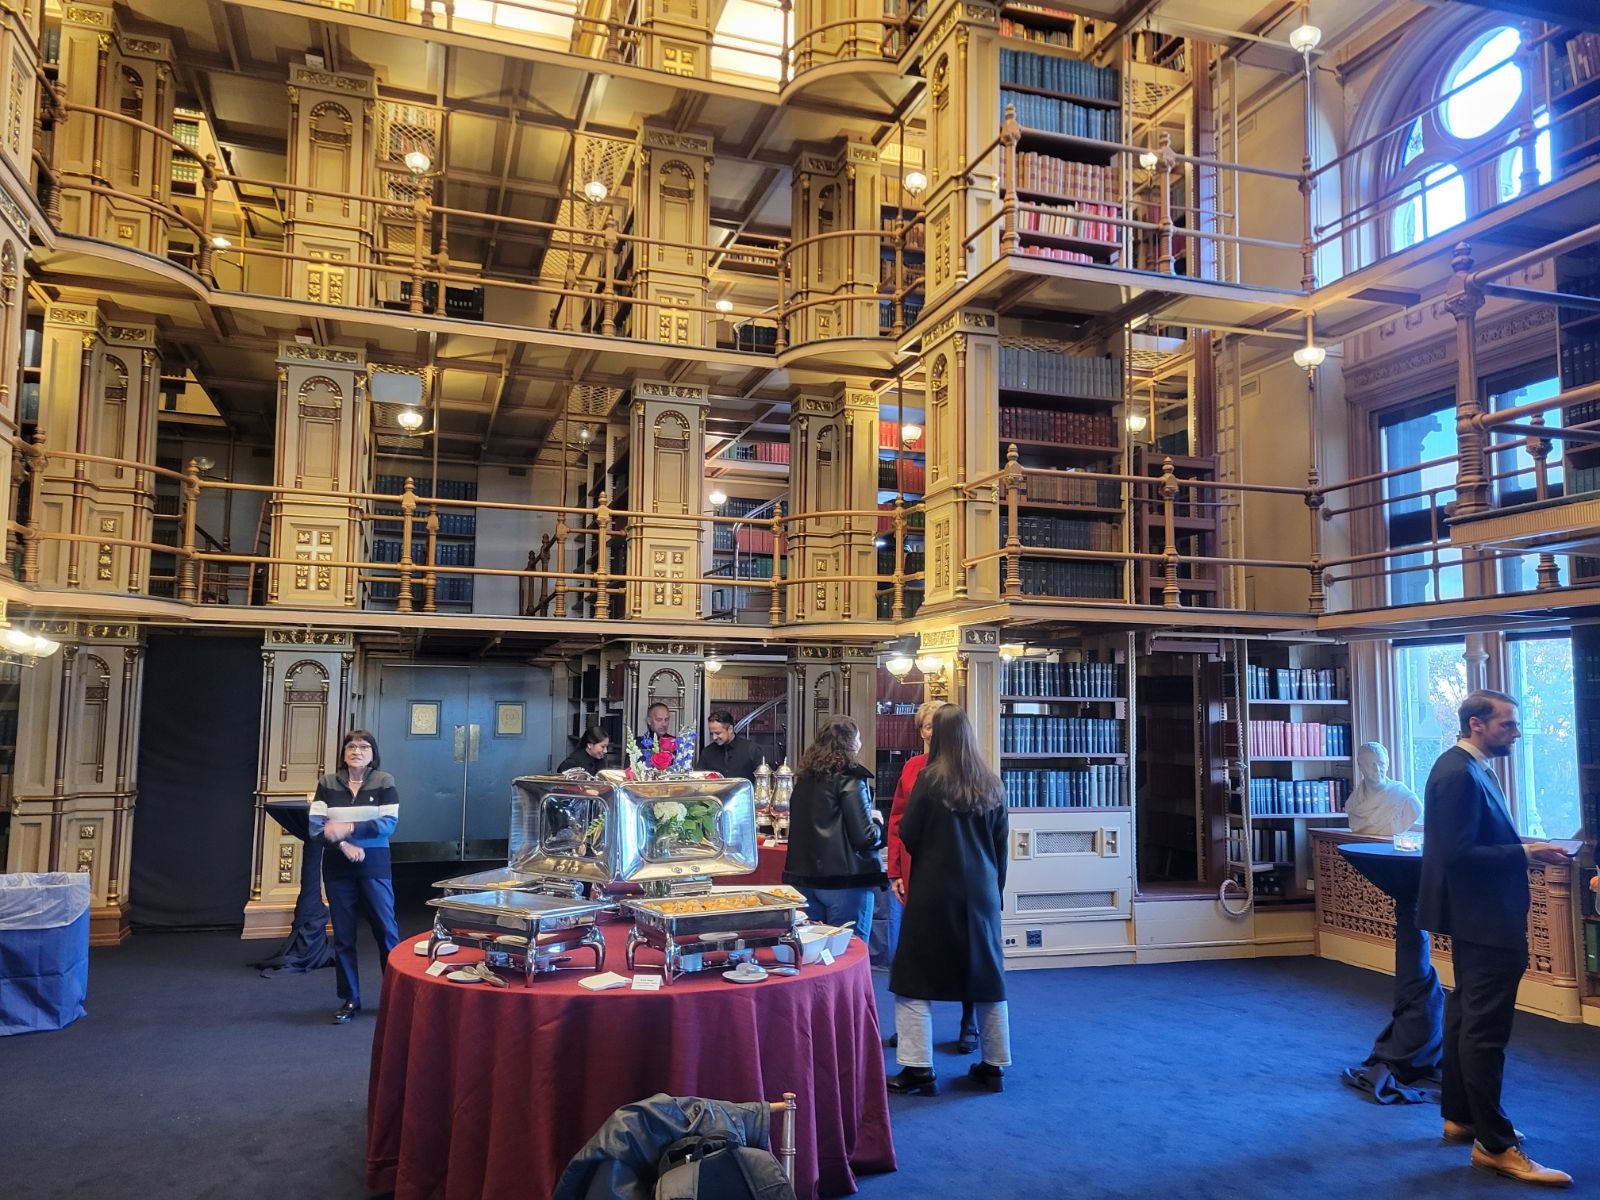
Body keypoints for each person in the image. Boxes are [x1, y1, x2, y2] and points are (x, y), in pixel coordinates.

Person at [1417, 690, 1572, 1186]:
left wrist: (1527, 846)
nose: (1517, 733)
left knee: (1466, 1018)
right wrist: (1525, 854)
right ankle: (1495, 1145)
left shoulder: (1468, 767)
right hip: (1484, 917)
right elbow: (1457, 855)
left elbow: (1477, 841)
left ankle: (1462, 1118)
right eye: (1508, 724)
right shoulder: (1458, 774)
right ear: (1477, 724)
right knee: (1485, 1031)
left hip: (1480, 915)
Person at [888, 705, 1011, 1097]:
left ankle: (918, 1068)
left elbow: (909, 832)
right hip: (982, 894)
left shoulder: (929, 779)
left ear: (937, 734)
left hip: (934, 890)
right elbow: (1001, 847)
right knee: (988, 981)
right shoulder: (992, 781)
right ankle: (994, 1066)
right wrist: (994, 892)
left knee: (912, 980)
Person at [884, 699, 977, 1053]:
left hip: (960, 879)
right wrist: (895, 870)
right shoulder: (912, 769)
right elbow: (898, 821)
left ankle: (969, 1023)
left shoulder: (970, 769)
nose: (933, 732)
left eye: (939, 725)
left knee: (964, 952)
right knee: (917, 952)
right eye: (927, 726)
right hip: (917, 871)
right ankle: (914, 1027)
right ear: (921, 732)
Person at [309, 729, 401, 1025]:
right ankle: (351, 999)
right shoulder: (327, 783)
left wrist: (347, 828)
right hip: (338, 865)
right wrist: (344, 845)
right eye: (351, 746)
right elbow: (316, 827)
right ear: (344, 752)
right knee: (344, 936)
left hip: (374, 863)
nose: (356, 751)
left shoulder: (384, 781)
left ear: (373, 753)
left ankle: (395, 998)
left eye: (363, 747)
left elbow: (388, 824)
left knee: (386, 931)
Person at [781, 715, 884, 940]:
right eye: (857, 738)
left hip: (805, 880)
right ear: (849, 742)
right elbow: (865, 837)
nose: (860, 743)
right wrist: (877, 823)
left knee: (815, 950)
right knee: (849, 948)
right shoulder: (851, 777)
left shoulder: (804, 779)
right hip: (845, 881)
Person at [1345, 741, 1423, 837]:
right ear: (1360, 766)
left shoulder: (1405, 798)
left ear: (1387, 764)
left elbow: (1416, 810)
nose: (1377, 770)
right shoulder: (1353, 802)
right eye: (1372, 765)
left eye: (1381, 764)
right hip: (1361, 843)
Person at [696, 709, 762, 782]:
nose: (714, 737)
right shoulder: (707, 752)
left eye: (718, 733)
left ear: (730, 729)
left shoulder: (752, 750)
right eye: (712, 733)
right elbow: (699, 780)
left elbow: (762, 780)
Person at [637, 701, 696, 772]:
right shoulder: (637, 744)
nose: (664, 724)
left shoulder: (676, 742)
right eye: (659, 720)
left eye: (666, 719)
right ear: (649, 721)